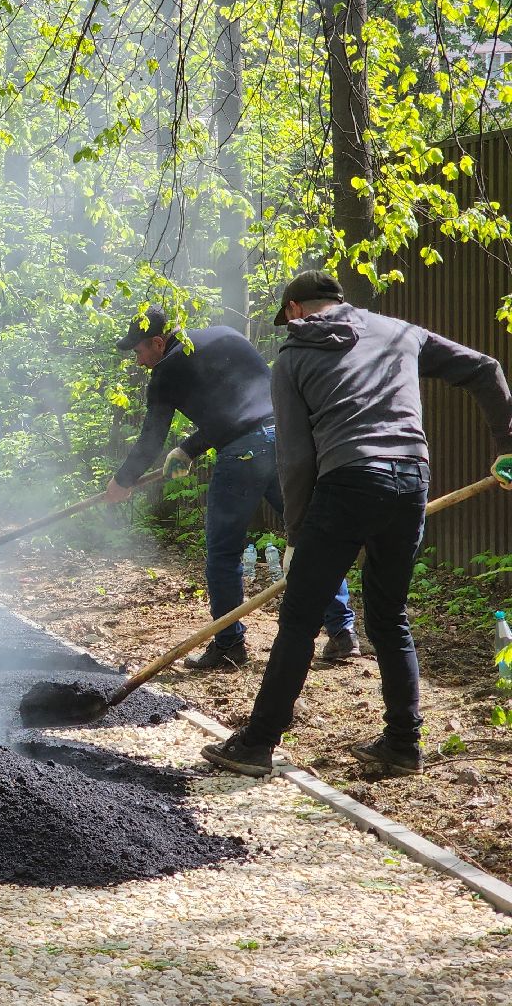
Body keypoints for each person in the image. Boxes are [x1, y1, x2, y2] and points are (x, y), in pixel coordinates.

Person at [202, 271, 512, 778]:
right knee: (389, 616)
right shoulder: (399, 333)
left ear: (297, 310)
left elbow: (296, 459)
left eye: (287, 317)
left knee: (300, 618)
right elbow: (485, 367)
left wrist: (299, 534)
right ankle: (402, 745)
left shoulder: (293, 358)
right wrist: (506, 444)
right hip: (412, 476)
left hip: (346, 481)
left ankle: (256, 744)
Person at [107, 306, 357, 670]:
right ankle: (343, 632)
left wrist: (123, 480)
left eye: (140, 351)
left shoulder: (166, 370)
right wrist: (190, 450)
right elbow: (259, 400)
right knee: (309, 537)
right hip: (286, 442)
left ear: (158, 343)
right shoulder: (227, 335)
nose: (139, 360)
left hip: (243, 452)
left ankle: (229, 645)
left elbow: (152, 436)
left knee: (223, 553)